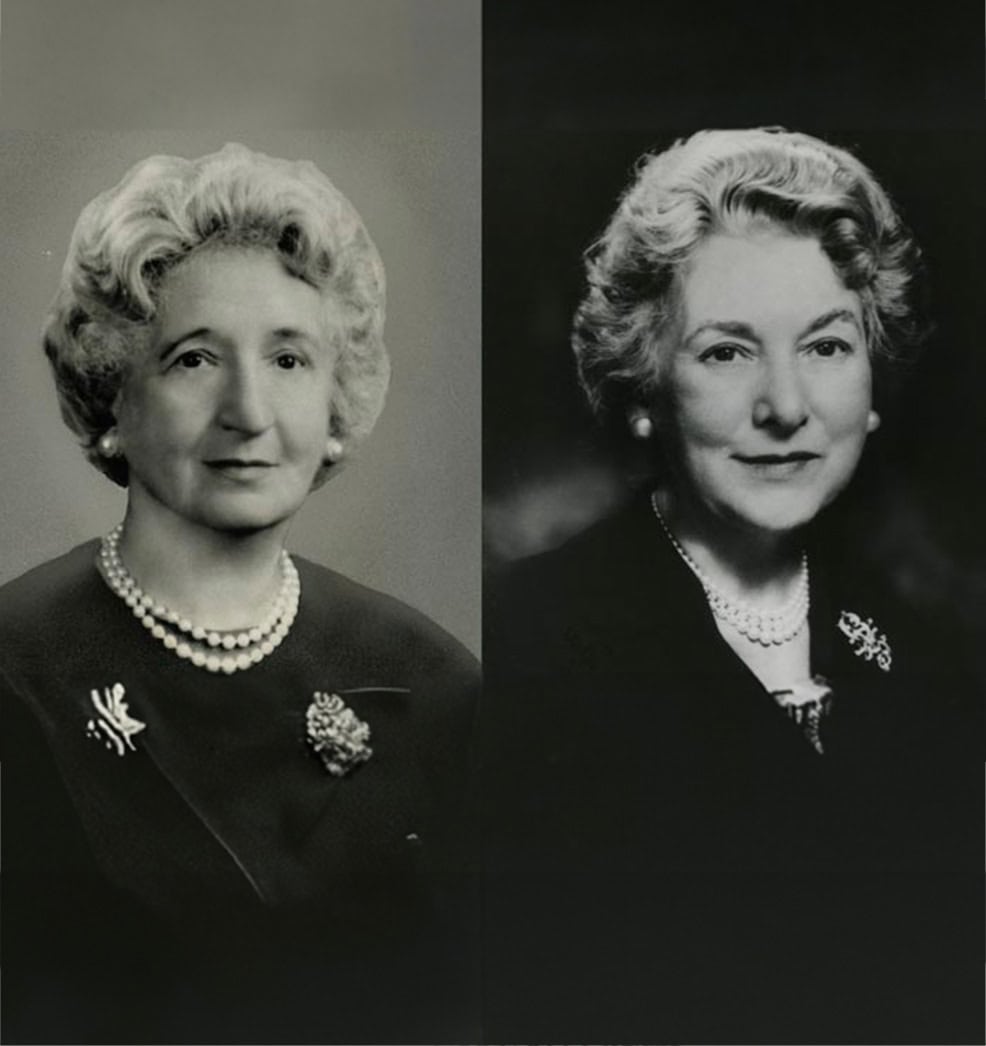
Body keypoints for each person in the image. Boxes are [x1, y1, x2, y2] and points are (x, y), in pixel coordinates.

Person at [484, 128, 981, 1043]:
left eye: (827, 347)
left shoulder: (931, 649)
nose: (786, 406)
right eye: (727, 352)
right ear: (644, 386)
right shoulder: (521, 657)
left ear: (873, 383)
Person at [0, 143, 479, 1044]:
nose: (249, 412)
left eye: (290, 360)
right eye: (193, 360)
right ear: (113, 401)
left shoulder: (434, 684)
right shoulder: (16, 665)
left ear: (337, 411)